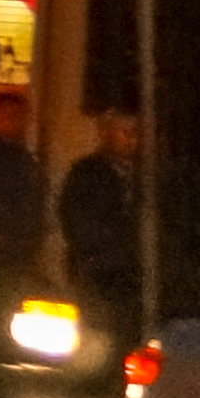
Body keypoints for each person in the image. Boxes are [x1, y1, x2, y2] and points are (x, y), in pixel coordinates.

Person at [55, 110, 146, 333]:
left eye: (137, 133)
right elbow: (79, 224)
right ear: (105, 133)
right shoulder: (86, 174)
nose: (132, 139)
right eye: (124, 132)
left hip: (136, 275)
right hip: (98, 274)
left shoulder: (147, 176)